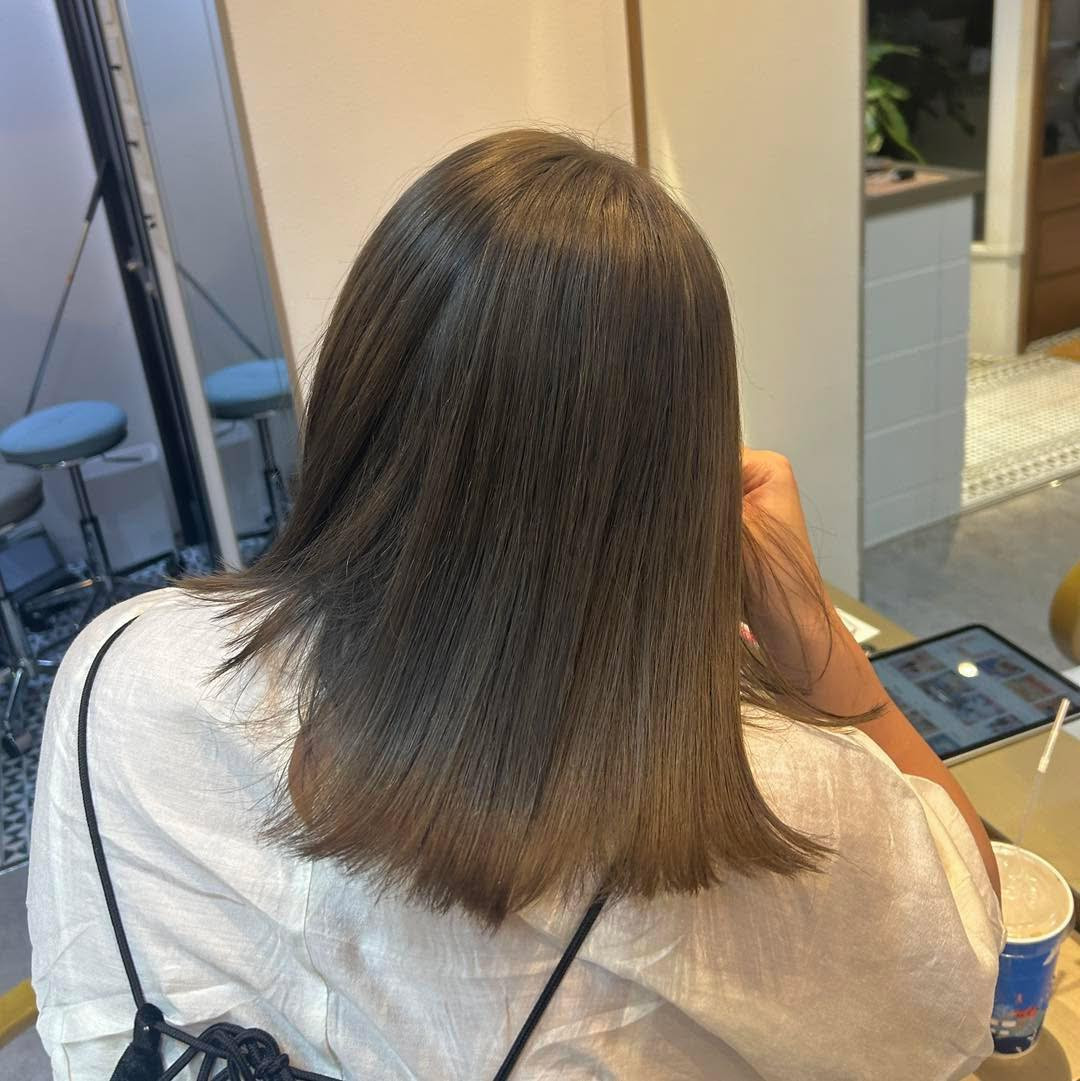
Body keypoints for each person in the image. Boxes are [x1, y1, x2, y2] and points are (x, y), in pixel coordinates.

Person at [28, 130, 1002, 1081]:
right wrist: (816, 636)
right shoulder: (755, 801)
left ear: (363, 389)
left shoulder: (122, 669)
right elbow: (964, 961)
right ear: (682, 462)